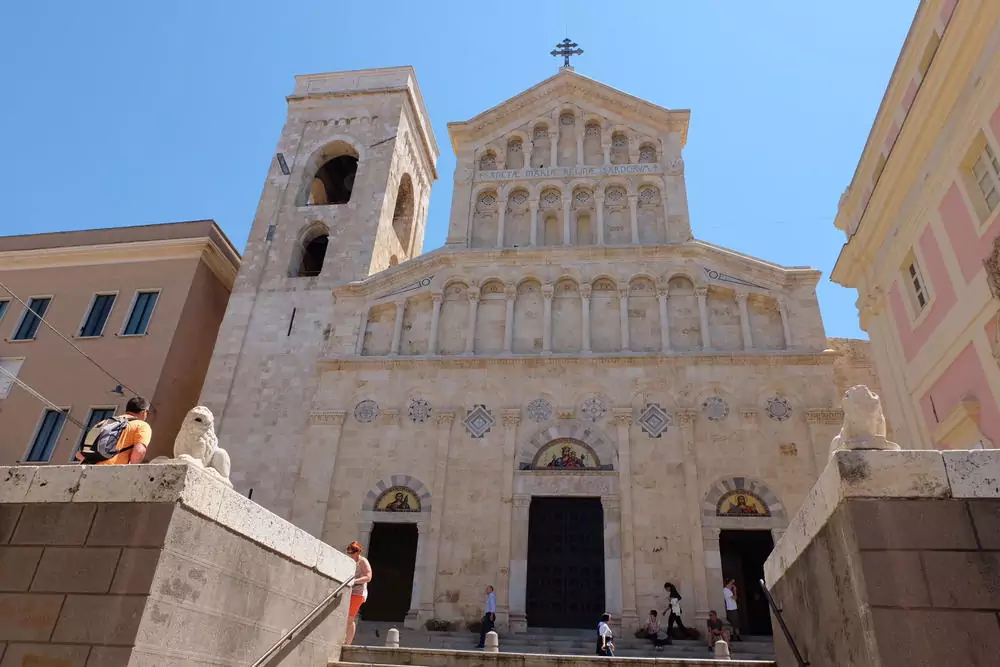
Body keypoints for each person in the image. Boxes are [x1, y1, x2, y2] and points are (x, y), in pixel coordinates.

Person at [76, 396, 152, 465]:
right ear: (144, 412)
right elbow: (139, 451)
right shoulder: (141, 425)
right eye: (148, 413)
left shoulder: (104, 423)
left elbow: (79, 454)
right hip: (112, 471)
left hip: (86, 470)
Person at [345, 541, 373, 646]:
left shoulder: (363, 561)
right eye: (349, 552)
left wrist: (355, 581)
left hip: (358, 593)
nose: (350, 555)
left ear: (357, 552)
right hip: (349, 591)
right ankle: (346, 641)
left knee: (350, 619)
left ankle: (348, 643)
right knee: (346, 618)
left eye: (352, 553)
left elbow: (368, 577)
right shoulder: (349, 561)